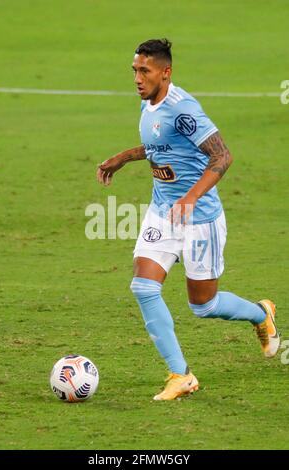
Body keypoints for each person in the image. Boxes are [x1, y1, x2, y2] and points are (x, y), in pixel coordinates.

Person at [96, 38, 280, 401]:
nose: (137, 77)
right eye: (134, 70)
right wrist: (124, 157)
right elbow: (160, 147)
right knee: (143, 287)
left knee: (204, 306)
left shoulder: (184, 110)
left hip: (200, 220)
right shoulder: (149, 104)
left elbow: (223, 157)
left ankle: (260, 314)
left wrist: (191, 197)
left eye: (144, 71)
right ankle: (180, 374)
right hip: (163, 212)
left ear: (166, 73)